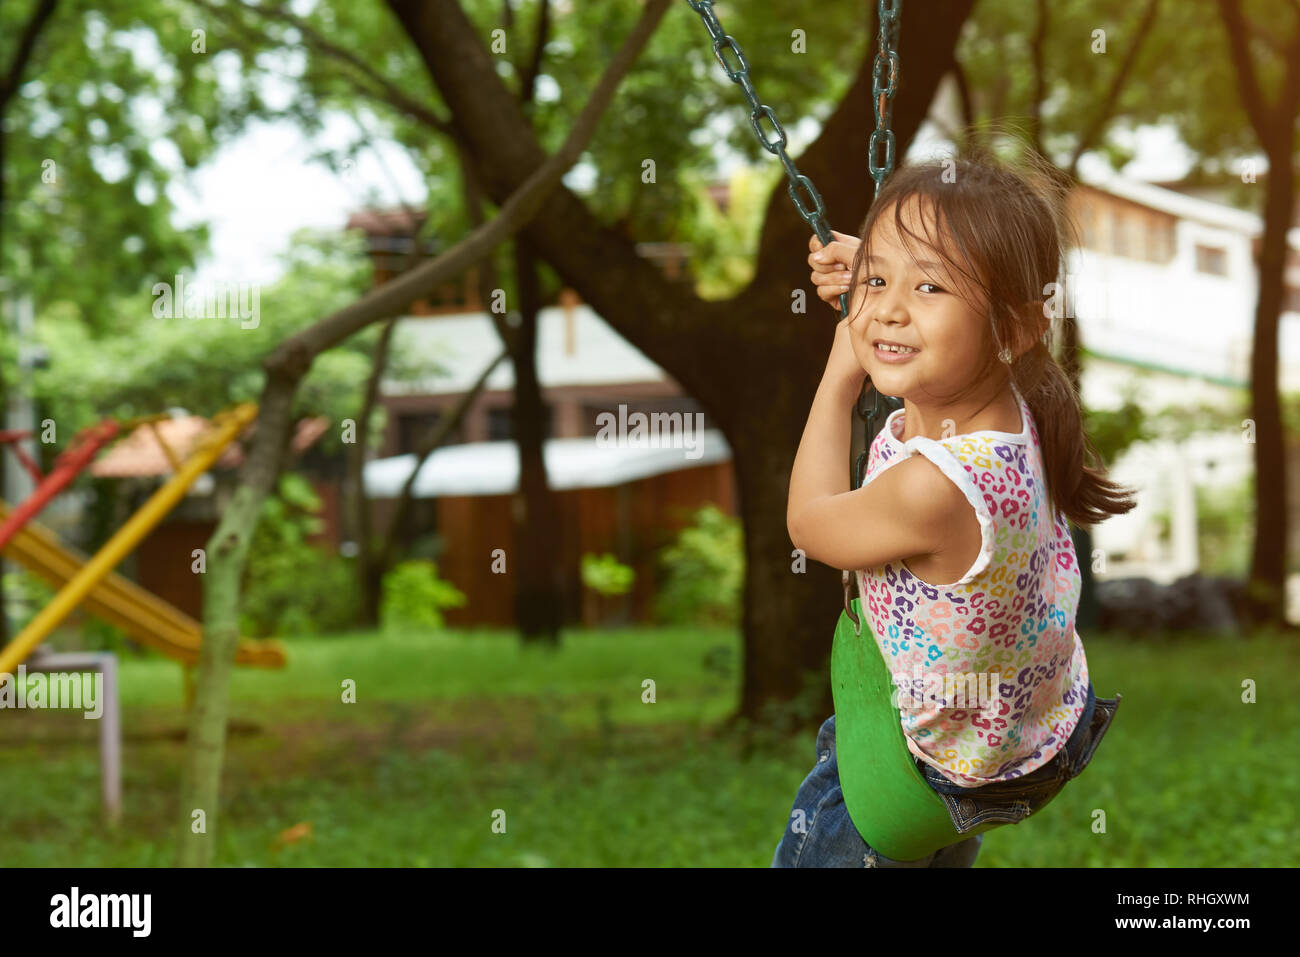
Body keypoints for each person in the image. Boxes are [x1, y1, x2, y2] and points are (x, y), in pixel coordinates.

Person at [772, 148, 1134, 867]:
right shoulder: (1017, 404)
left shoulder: (934, 488)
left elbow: (809, 522)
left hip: (901, 774)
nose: (887, 309)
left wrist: (840, 375)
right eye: (878, 280)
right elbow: (936, 304)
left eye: (930, 285)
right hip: (994, 757)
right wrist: (885, 271)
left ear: (1012, 327)